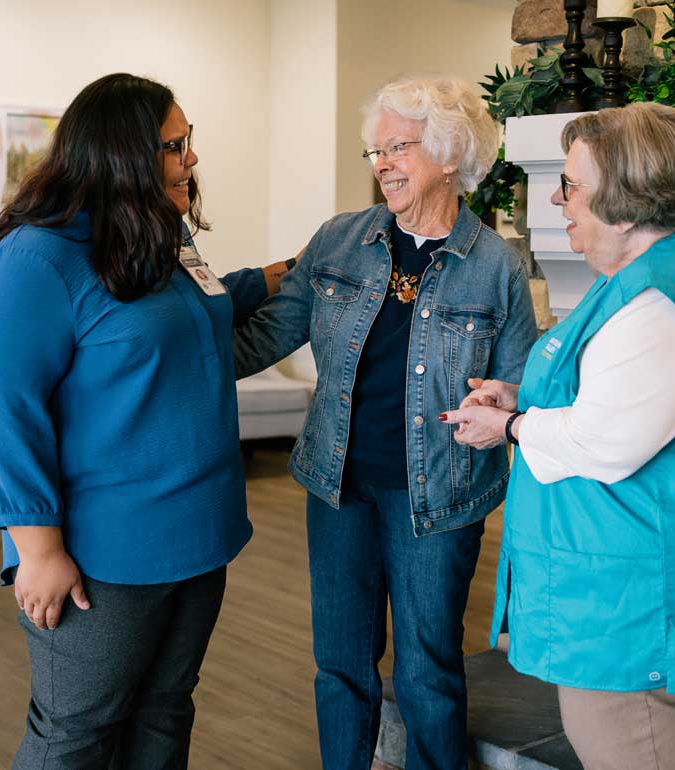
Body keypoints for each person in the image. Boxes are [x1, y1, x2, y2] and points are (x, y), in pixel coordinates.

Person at [444, 102, 675, 770]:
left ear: (625, 202)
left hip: (638, 597)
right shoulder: (646, 275)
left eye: (570, 184)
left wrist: (508, 424)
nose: (557, 197)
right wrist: (525, 396)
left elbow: (608, 441)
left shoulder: (661, 301)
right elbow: (621, 396)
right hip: (618, 581)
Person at [0, 73, 292, 770]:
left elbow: (188, 321)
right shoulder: (38, 257)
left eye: (187, 143)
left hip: (199, 535)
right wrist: (39, 550)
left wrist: (274, 277)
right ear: (120, 154)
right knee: (75, 734)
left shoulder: (155, 234)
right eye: (174, 146)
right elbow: (0, 406)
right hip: (104, 554)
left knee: (165, 712)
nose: (190, 160)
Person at [232, 74, 538, 770]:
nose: (381, 166)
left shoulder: (495, 266)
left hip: (438, 494)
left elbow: (523, 381)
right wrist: (163, 349)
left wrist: (506, 402)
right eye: (373, 153)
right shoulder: (339, 243)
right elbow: (262, 338)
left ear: (452, 154)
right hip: (336, 483)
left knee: (427, 667)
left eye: (396, 148)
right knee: (340, 662)